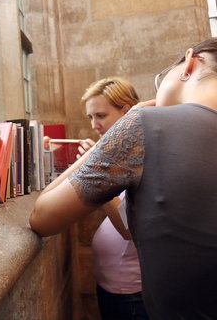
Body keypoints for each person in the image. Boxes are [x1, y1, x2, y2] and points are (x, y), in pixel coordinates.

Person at [29, 38, 217, 320]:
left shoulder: (145, 125)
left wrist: (101, 149)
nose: (95, 124)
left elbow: (42, 217)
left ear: (191, 61)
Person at [77, 77, 147, 320]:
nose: (95, 125)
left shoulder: (141, 156)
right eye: (90, 118)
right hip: (114, 285)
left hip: (132, 293)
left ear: (127, 112)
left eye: (101, 115)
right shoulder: (121, 155)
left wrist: (96, 172)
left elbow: (129, 228)